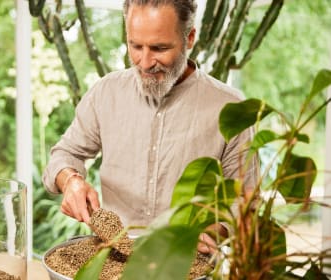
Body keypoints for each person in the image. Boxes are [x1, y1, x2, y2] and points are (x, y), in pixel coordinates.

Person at [43, 0, 257, 254]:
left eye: (159, 48)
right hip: (111, 261)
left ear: (189, 38)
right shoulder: (106, 93)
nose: (144, 62)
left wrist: (212, 232)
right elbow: (65, 154)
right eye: (135, 46)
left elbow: (246, 202)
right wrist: (71, 181)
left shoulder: (231, 107)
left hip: (186, 264)